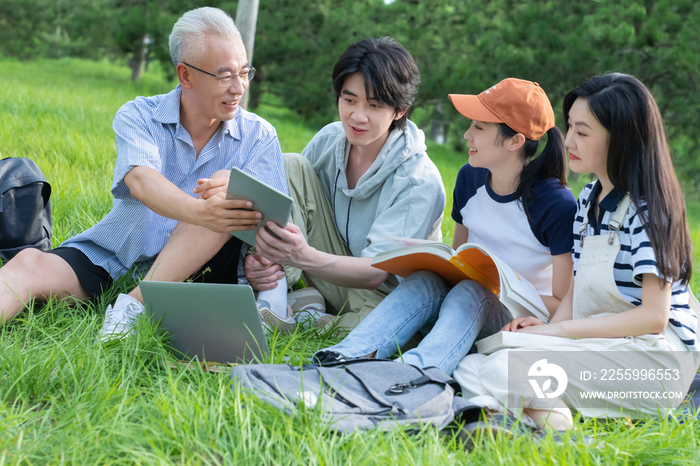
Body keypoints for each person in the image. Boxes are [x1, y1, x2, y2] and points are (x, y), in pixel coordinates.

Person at [0, 7, 288, 337]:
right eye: (225, 76)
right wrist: (199, 210)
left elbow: (274, 224)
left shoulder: (260, 135)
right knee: (27, 265)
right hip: (115, 259)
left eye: (244, 73)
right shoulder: (140, 115)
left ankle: (133, 307)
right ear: (186, 76)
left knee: (223, 196)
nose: (238, 88)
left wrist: (259, 259)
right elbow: (140, 179)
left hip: (200, 273)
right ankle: (127, 300)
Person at [453, 73, 700, 432]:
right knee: (479, 360)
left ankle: (530, 424)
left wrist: (557, 334)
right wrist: (546, 328)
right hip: (604, 347)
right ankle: (548, 429)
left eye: (582, 133)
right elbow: (576, 288)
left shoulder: (650, 211)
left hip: (653, 362)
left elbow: (653, 317)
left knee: (502, 368)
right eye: (570, 128)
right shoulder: (588, 200)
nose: (567, 140)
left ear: (622, 141)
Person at [313, 78, 577, 375]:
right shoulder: (470, 179)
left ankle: (417, 374)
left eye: (478, 127)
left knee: (472, 290)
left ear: (515, 141)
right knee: (429, 279)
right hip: (461, 308)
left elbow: (562, 303)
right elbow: (458, 256)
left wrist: (494, 289)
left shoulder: (556, 205)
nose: (467, 135)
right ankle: (345, 356)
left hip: (514, 321)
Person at [244, 38, 446, 333]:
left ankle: (311, 314)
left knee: (365, 336)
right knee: (290, 166)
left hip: (385, 294)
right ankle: (273, 300)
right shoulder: (329, 140)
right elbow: (291, 206)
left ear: (400, 110)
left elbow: (377, 273)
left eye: (374, 105)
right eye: (349, 100)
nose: (357, 116)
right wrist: (262, 263)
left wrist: (301, 257)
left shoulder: (418, 181)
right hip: (332, 275)